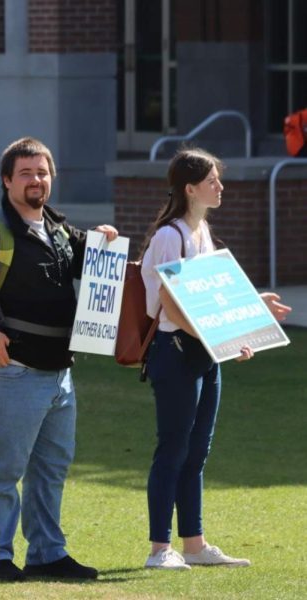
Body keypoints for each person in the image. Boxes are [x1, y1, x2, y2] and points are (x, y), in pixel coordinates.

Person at [0, 137, 115, 582]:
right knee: (3, 469)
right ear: (6, 180)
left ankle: (47, 554)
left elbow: (86, 264)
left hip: (59, 373)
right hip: (10, 371)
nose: (36, 180)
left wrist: (105, 242)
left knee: (50, 471)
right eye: (26, 173)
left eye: (43, 172)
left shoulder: (55, 229)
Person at [139, 148, 291, 570]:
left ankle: (194, 545)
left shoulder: (202, 230)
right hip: (175, 353)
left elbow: (211, 297)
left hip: (203, 354)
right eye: (212, 181)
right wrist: (221, 337)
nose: (220, 187)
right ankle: (158, 550)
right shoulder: (171, 236)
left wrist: (249, 315)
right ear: (190, 188)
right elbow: (172, 307)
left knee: (196, 452)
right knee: (172, 449)